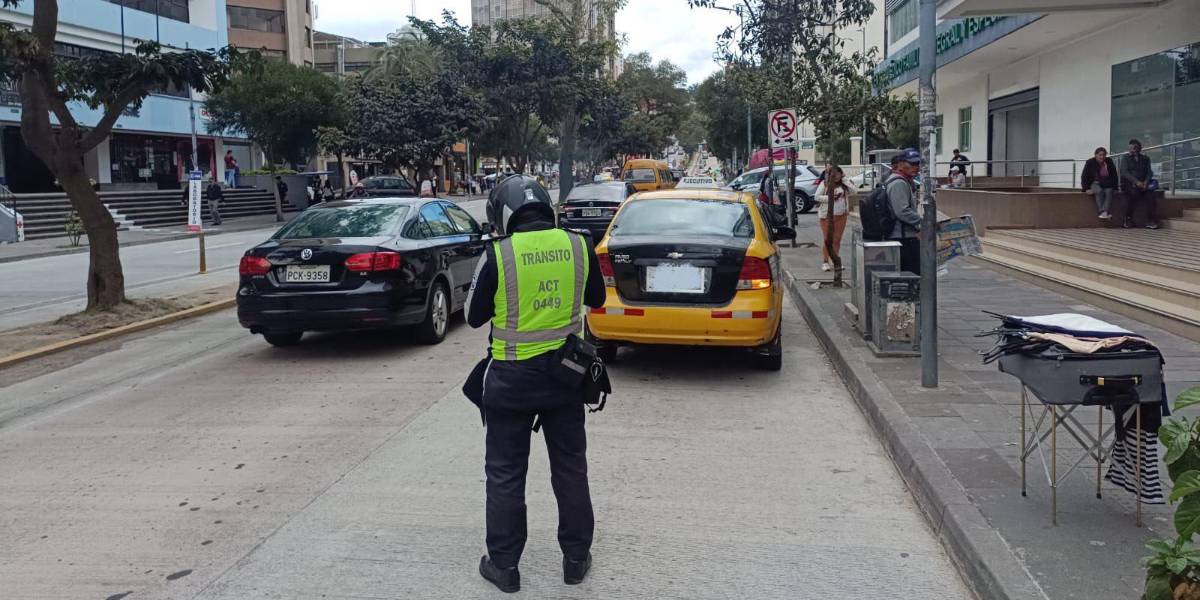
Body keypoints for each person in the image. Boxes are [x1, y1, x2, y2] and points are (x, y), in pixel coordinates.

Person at [464, 176, 605, 593]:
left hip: (510, 383)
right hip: (566, 378)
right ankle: (576, 560)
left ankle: (504, 566)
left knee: (506, 474)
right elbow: (595, 299)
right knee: (570, 469)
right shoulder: (579, 245)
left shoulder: (498, 253)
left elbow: (473, 315)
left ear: (502, 216)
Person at [886, 149, 923, 275]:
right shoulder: (898, 183)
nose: (915, 167)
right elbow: (902, 211)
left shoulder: (903, 181)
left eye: (917, 164)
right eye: (911, 163)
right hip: (903, 238)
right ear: (900, 164)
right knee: (912, 276)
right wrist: (922, 222)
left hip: (904, 236)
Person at [816, 165, 850, 272]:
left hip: (842, 215)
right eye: (833, 174)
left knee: (837, 240)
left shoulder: (844, 185)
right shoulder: (825, 184)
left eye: (838, 174)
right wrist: (830, 197)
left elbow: (855, 191)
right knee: (828, 239)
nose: (836, 176)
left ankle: (836, 260)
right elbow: (816, 196)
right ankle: (825, 262)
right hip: (827, 216)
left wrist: (844, 179)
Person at [1119, 139, 1158, 229]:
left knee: (1150, 195)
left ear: (1139, 148)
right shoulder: (1125, 158)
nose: (1133, 149)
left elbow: (1149, 172)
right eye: (1132, 147)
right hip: (1129, 184)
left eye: (1135, 147)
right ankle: (1128, 218)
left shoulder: (1145, 158)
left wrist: (1146, 182)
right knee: (1133, 194)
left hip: (1143, 184)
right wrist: (1136, 182)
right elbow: (1124, 172)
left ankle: (1150, 220)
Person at [1081, 146, 1118, 220]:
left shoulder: (1109, 161)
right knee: (1099, 191)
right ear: (1096, 155)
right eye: (1100, 155)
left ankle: (1105, 212)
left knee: (1109, 191)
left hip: (1107, 183)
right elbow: (1084, 176)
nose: (1102, 157)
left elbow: (1114, 175)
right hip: (1095, 183)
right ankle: (1102, 211)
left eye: (1104, 155)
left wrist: (1115, 187)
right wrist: (1086, 189)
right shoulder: (1090, 162)